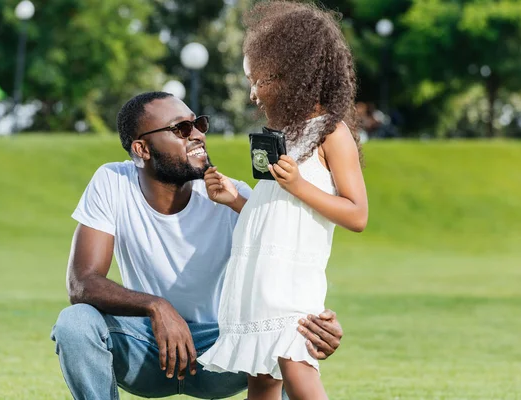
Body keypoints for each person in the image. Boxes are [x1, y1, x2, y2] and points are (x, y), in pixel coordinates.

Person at [50, 91, 345, 400]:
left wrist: (314, 323)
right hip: (147, 349)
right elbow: (83, 282)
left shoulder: (232, 196)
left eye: (199, 124)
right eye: (181, 129)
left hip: (222, 349)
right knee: (75, 324)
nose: (198, 135)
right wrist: (157, 307)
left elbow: (288, 259)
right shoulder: (112, 181)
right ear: (141, 149)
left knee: (286, 337)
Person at [197, 2, 368, 399]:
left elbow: (357, 214)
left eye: (260, 80)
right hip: (256, 276)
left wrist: (300, 186)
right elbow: (277, 213)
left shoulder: (330, 132)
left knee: (298, 372)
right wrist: (236, 201)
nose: (253, 92)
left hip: (290, 283)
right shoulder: (282, 137)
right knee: (261, 378)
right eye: (250, 81)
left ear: (296, 75)